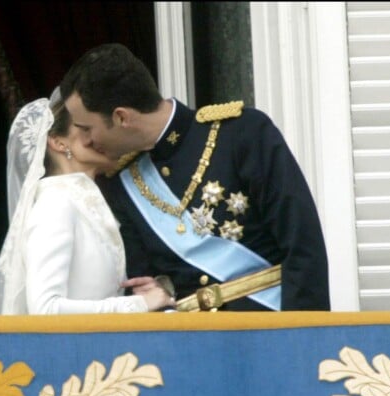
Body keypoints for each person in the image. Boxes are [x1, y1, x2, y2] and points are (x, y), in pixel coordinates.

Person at [59, 43, 331, 312]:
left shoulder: (242, 134)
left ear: (121, 118)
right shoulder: (118, 183)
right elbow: (143, 286)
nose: (85, 140)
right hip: (190, 345)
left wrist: (302, 341)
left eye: (86, 128)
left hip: (268, 333)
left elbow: (302, 246)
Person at [0, 90, 175, 315]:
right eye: (84, 129)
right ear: (57, 142)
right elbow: (45, 309)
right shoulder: (56, 205)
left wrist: (143, 296)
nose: (99, 136)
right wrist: (138, 305)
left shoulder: (81, 202)